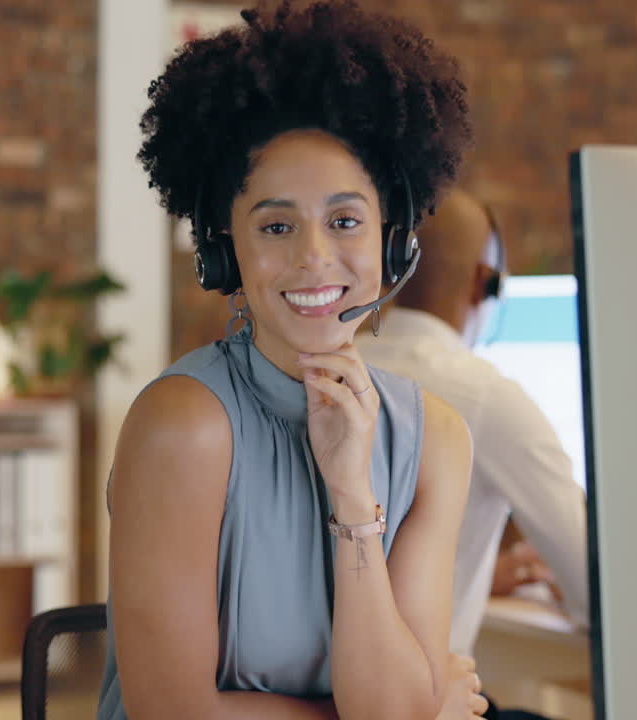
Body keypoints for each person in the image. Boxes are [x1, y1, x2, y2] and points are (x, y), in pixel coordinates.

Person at [99, 2, 487, 718]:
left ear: (393, 240)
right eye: (276, 225)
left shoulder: (434, 441)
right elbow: (174, 714)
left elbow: (398, 710)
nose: (313, 259)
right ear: (226, 248)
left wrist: (349, 490)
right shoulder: (182, 425)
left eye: (345, 221)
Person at [356, 189, 589, 717]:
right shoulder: (484, 396)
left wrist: (485, 571)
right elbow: (595, 594)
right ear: (486, 282)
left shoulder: (331, 367)